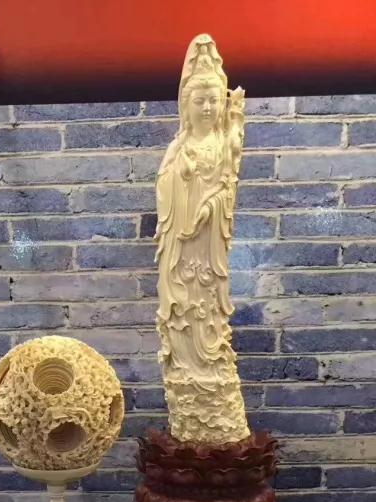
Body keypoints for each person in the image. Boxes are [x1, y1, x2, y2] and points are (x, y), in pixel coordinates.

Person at [155, 34, 250, 445]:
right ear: (186, 105)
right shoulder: (178, 148)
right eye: (200, 101)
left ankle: (213, 388)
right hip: (182, 248)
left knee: (209, 317)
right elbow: (163, 188)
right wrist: (183, 179)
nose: (208, 108)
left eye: (213, 100)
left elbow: (228, 187)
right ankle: (189, 392)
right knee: (181, 317)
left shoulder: (222, 142)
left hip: (209, 250)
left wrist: (211, 204)